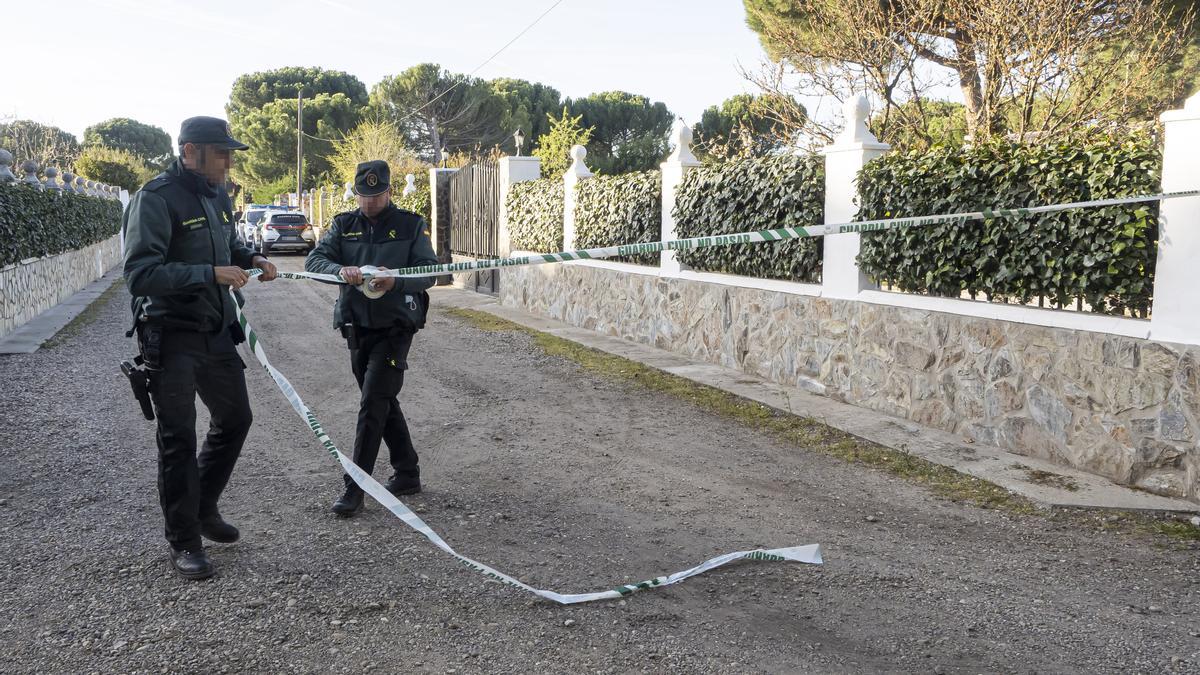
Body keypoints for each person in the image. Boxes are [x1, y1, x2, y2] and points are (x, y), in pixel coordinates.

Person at [123, 116, 278, 579]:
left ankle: (203, 506)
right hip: (170, 335)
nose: (229, 162)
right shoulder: (155, 199)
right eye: (221, 153)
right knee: (178, 439)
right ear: (190, 152)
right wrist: (209, 274)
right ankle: (185, 541)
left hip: (215, 329)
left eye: (230, 153)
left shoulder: (216, 194)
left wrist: (250, 258)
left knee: (235, 419)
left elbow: (227, 244)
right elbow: (140, 275)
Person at [305, 160, 438, 517]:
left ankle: (355, 487)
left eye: (376, 196)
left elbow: (431, 272)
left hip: (395, 327)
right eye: (364, 196)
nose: (369, 203)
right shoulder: (343, 224)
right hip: (356, 325)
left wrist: (396, 280)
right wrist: (339, 271)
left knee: (372, 403)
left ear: (389, 192)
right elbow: (314, 262)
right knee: (380, 399)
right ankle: (407, 471)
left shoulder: (411, 225)